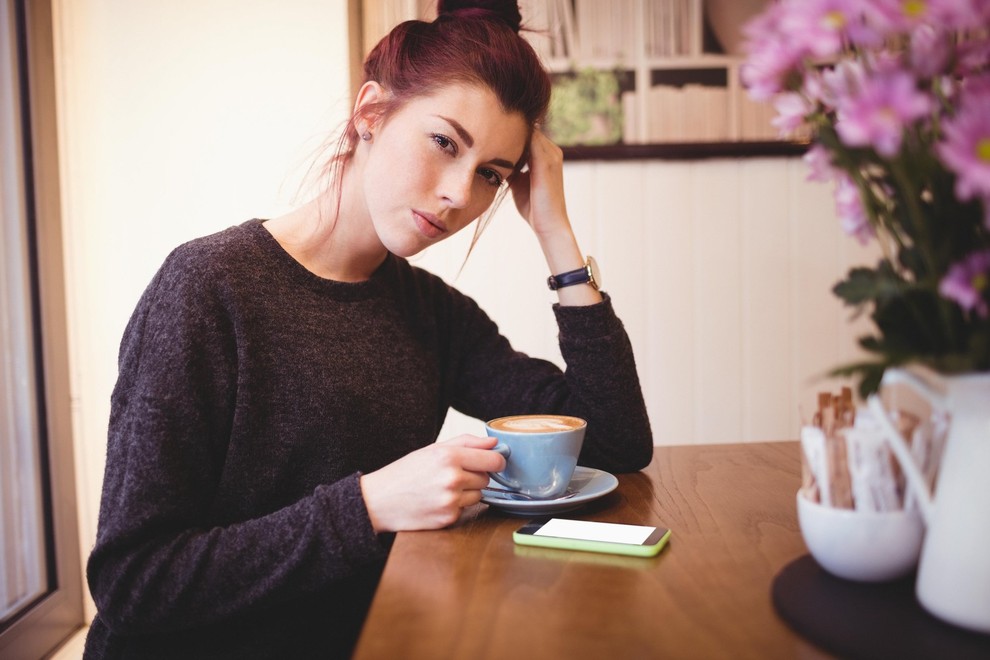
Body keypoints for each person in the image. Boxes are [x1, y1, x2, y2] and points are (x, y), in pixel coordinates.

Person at [83, 1, 653, 657]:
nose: (458, 195)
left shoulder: (431, 314)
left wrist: (555, 232)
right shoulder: (207, 288)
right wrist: (368, 506)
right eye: (445, 143)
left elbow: (613, 442)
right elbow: (134, 584)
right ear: (370, 115)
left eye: (491, 175)